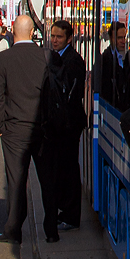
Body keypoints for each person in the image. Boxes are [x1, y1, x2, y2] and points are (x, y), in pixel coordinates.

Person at [0, 15, 49, 244]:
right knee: (47, 178)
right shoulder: (45, 57)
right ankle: (51, 229)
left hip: (14, 129)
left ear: (13, 31)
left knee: (16, 180)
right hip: (40, 128)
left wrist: (1, 126)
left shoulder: (3, 59)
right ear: (34, 32)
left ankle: (13, 229)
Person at [41, 20, 86, 238]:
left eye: (59, 37)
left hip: (68, 125)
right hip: (61, 124)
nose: (54, 40)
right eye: (53, 36)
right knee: (61, 168)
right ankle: (65, 211)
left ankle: (70, 215)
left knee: (68, 169)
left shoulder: (73, 60)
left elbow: (71, 94)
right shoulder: (58, 57)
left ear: (69, 38)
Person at [97, 21, 130, 112]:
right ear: (111, 38)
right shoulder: (104, 60)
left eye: (124, 37)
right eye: (119, 38)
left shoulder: (126, 58)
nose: (123, 41)